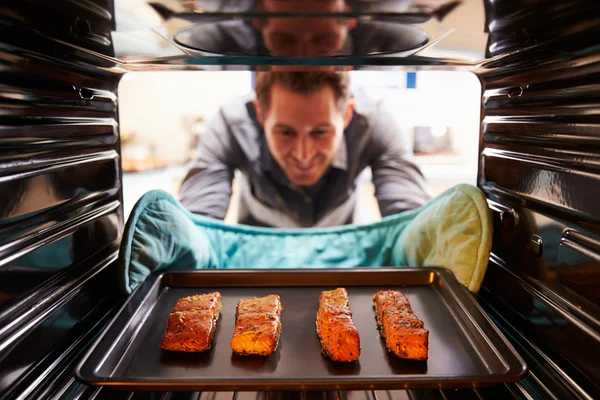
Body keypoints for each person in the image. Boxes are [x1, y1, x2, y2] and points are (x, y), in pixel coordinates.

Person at [179, 70, 430, 228]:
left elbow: (412, 220)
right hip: (256, 271)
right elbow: (197, 223)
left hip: (345, 265)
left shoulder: (375, 123)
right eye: (285, 132)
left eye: (320, 132)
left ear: (346, 116)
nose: (303, 154)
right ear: (261, 115)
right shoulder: (230, 124)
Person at [175, 0, 428, 58]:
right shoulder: (215, 39)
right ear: (257, 23)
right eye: (283, 40)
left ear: (351, 22)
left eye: (324, 39)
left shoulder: (393, 38)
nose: (305, 56)